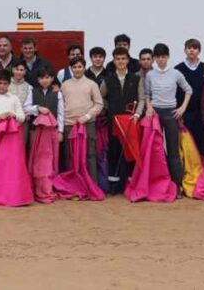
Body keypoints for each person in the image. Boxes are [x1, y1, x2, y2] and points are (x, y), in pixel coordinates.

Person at [144, 43, 192, 197]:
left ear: (168, 57)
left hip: (171, 112)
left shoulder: (176, 73)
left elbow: (188, 90)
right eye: (158, 57)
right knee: (155, 150)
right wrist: (149, 107)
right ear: (154, 58)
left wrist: (182, 108)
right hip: (156, 114)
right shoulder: (150, 74)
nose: (161, 60)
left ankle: (176, 184)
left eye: (163, 57)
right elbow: (147, 94)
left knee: (173, 150)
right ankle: (157, 183)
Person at [100, 48, 145, 194]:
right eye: (118, 59)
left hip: (131, 121)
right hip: (114, 122)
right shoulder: (108, 80)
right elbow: (100, 98)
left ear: (127, 60)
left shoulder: (136, 78)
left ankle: (131, 184)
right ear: (114, 61)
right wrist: (110, 107)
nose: (120, 61)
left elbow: (142, 99)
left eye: (123, 59)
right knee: (114, 151)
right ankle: (114, 185)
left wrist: (137, 115)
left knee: (130, 152)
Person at [60, 57, 104, 181]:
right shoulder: (65, 85)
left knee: (90, 154)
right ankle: (72, 185)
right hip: (69, 124)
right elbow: (61, 105)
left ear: (84, 68)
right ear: (71, 69)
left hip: (87, 124)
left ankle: (92, 185)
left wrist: (87, 117)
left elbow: (99, 104)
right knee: (70, 155)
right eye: (74, 67)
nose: (77, 69)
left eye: (80, 67)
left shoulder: (92, 84)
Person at [174, 38, 204, 156]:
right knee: (186, 144)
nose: (192, 50)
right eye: (189, 48)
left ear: (199, 51)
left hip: (201, 113)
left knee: (201, 143)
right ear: (185, 50)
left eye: (195, 48)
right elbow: (175, 93)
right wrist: (178, 114)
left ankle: (201, 171)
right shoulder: (178, 69)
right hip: (185, 113)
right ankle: (187, 171)